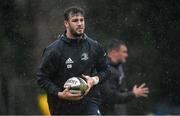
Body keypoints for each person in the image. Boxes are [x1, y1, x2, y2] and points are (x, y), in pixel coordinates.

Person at [36, 7, 109, 115]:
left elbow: (106, 70)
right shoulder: (54, 50)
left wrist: (93, 80)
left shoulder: (94, 46)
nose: (80, 23)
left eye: (81, 20)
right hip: (61, 105)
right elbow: (42, 78)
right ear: (66, 23)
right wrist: (59, 93)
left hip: (88, 102)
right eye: (75, 20)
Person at [100, 39, 149, 115]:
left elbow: (118, 91)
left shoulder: (118, 67)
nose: (126, 55)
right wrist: (132, 94)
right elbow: (110, 96)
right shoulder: (107, 70)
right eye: (124, 52)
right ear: (114, 52)